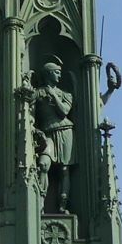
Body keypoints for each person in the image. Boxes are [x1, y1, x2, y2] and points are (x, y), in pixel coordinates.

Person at [33, 56, 76, 213]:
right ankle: (39, 202)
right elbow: (29, 113)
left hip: (65, 132)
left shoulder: (66, 94)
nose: (59, 75)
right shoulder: (38, 93)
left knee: (64, 170)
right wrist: (35, 129)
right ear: (48, 74)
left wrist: (53, 95)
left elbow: (64, 111)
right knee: (43, 164)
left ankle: (62, 205)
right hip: (47, 134)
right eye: (56, 72)